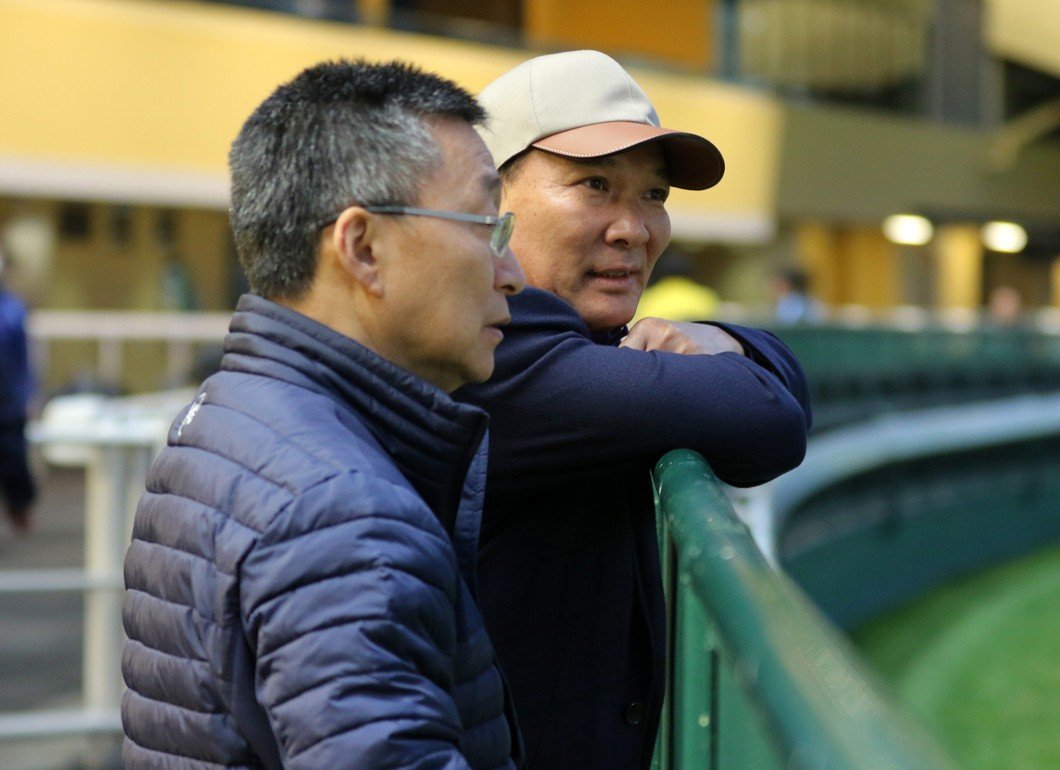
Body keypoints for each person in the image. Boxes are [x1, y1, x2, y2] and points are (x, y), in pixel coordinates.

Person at [120, 60, 526, 769]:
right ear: (362, 247)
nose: (513, 270)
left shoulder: (229, 414)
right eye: (486, 224)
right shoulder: (346, 515)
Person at [456, 50, 812, 769]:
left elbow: (784, 389)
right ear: (488, 199)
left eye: (653, 195)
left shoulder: (571, 335)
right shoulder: (488, 344)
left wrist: (715, 338)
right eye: (594, 185)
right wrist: (729, 353)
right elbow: (770, 421)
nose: (633, 228)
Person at [0, 246, 36, 535]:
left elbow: (24, 359)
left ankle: (19, 514)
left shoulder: (13, 309)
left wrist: (28, 395)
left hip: (8, 404)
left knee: (15, 465)